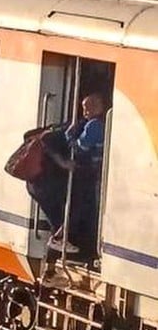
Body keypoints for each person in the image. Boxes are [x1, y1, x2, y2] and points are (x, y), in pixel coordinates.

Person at [47, 93, 108, 255]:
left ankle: (61, 237)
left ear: (99, 107)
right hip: (91, 173)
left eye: (88, 107)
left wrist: (69, 135)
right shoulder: (96, 125)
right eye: (84, 108)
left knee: (81, 207)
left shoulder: (94, 125)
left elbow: (80, 148)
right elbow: (81, 148)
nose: (85, 112)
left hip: (90, 172)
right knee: (81, 206)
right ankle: (60, 237)